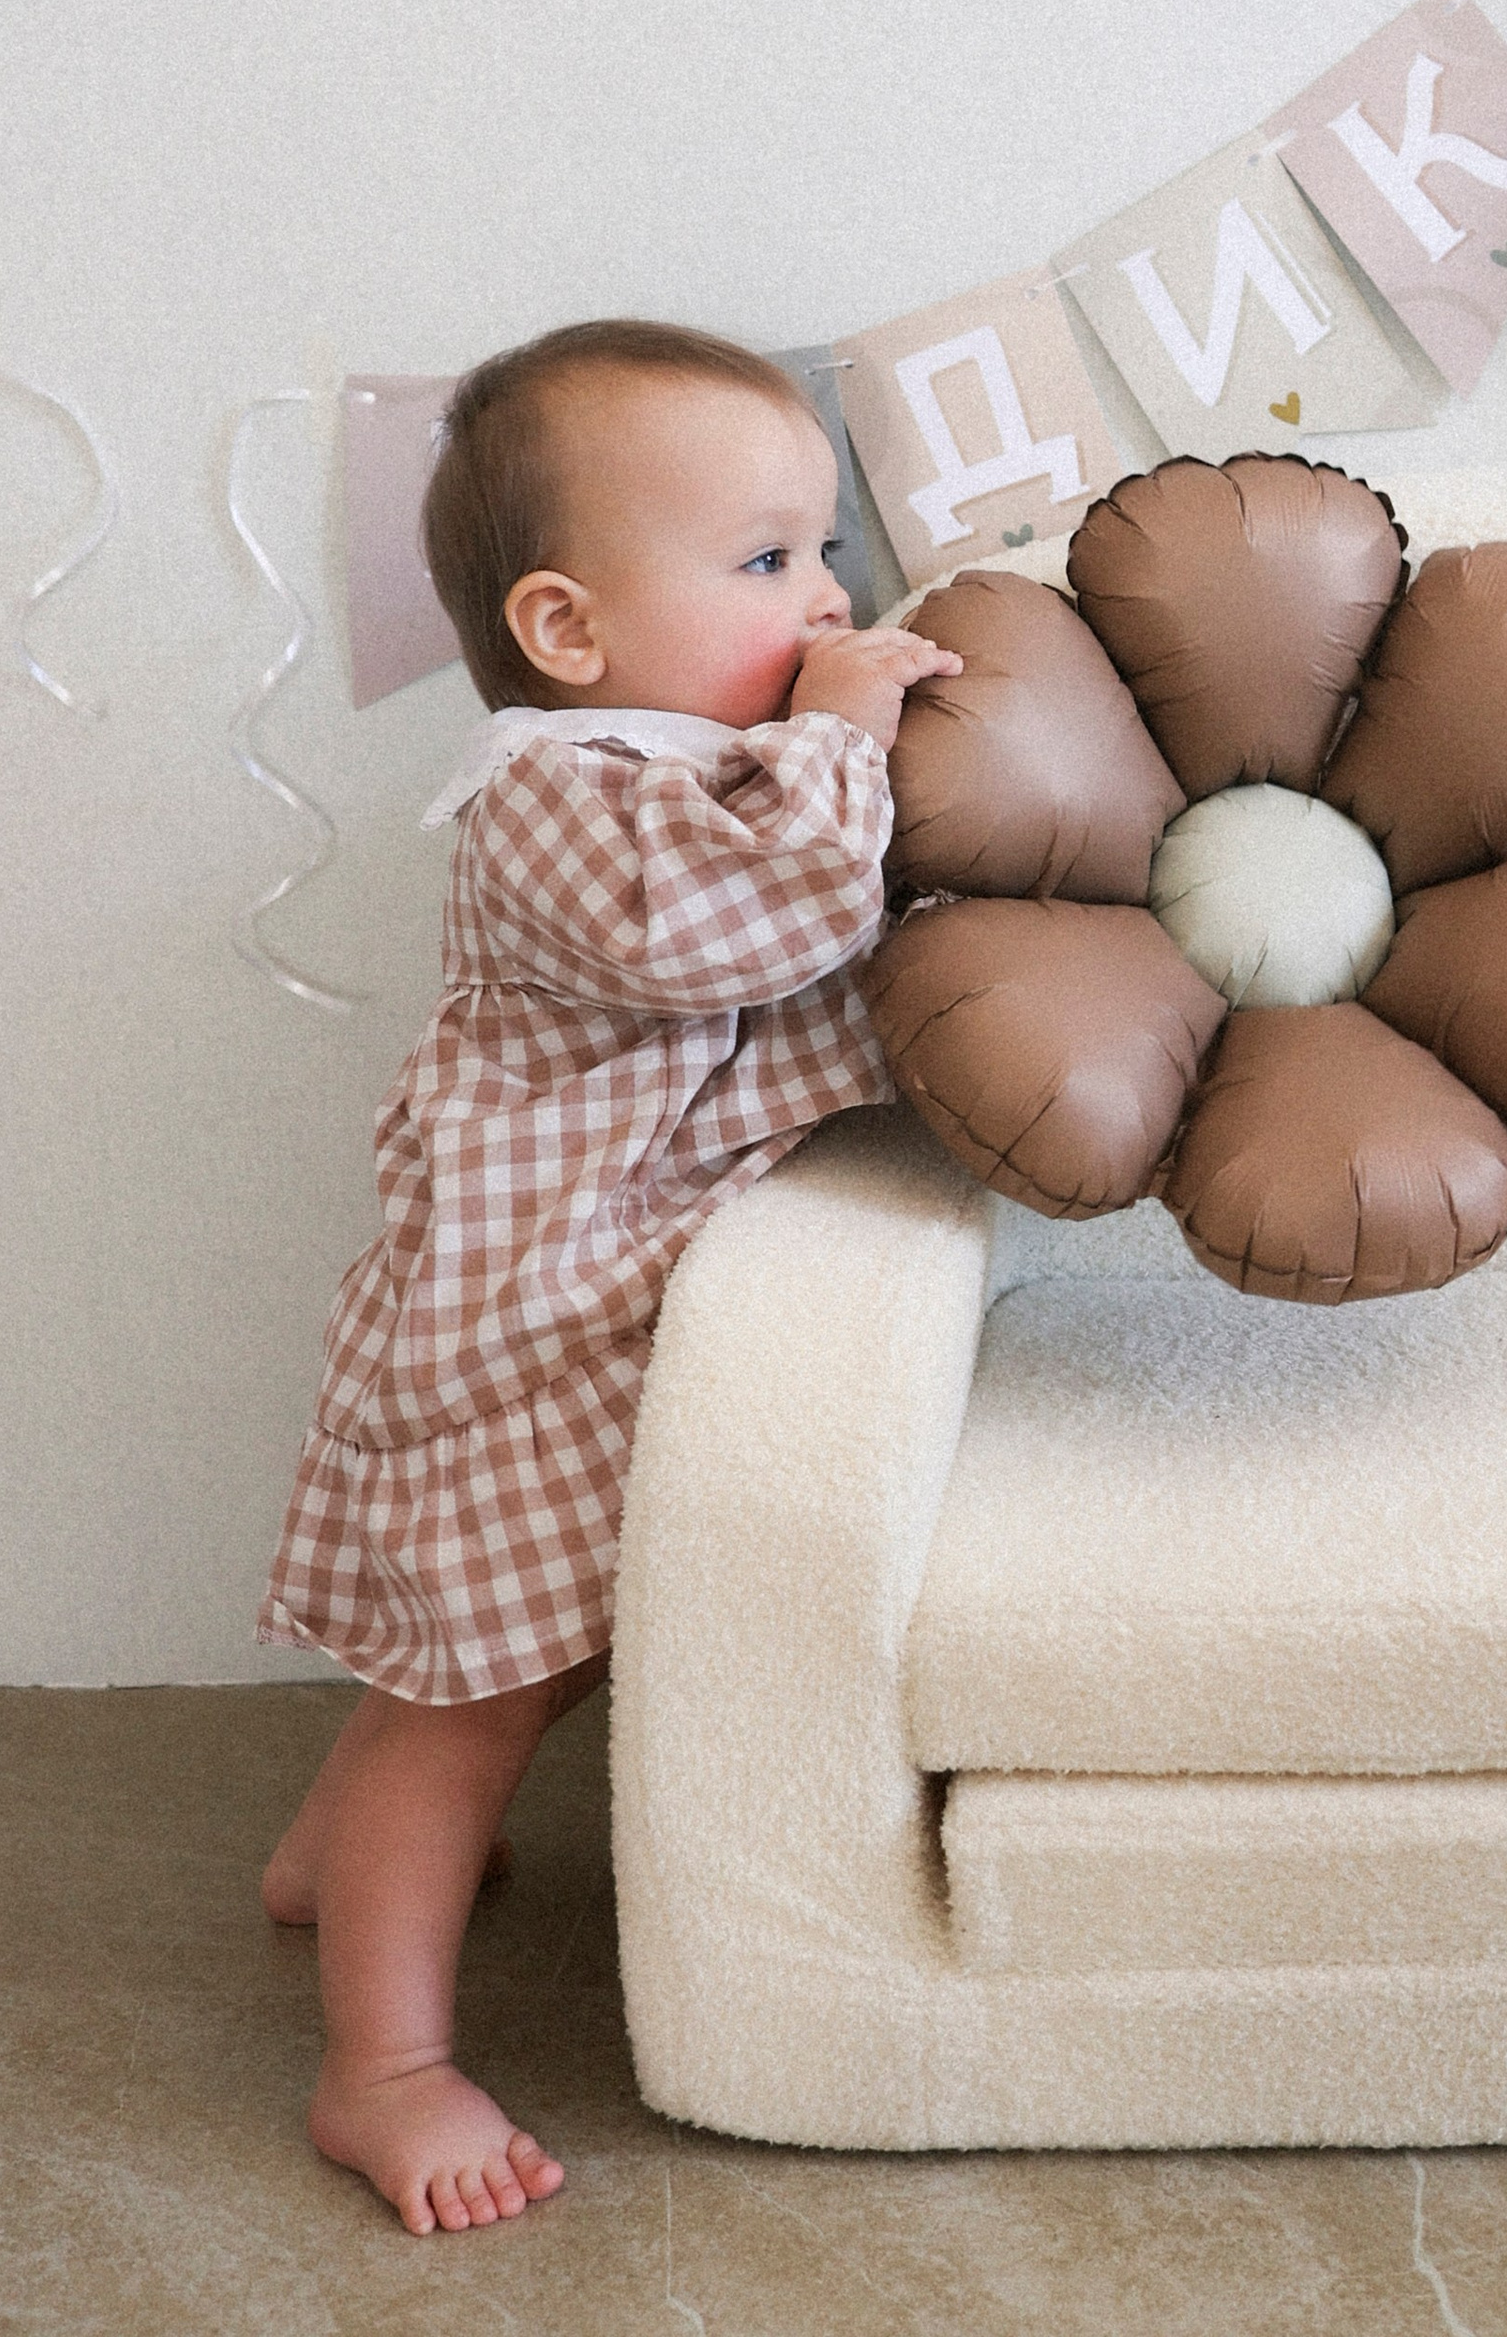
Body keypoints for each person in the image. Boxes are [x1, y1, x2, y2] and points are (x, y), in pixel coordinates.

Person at [257, 320, 960, 2238]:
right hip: (517, 1316)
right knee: (473, 1697)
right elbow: (742, 934)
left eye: (824, 552)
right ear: (568, 630)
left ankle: (333, 1849)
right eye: (765, 565)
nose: (827, 601)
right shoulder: (563, 794)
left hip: (594, 1287)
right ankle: (380, 2062)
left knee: (534, 1652)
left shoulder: (690, 766)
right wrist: (846, 731)